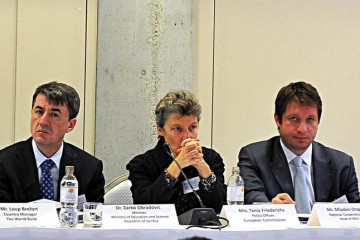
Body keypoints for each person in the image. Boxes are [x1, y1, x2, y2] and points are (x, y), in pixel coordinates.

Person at [238, 81, 360, 213]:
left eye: (310, 119)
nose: (302, 129)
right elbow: (252, 197)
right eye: (294, 118)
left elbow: (355, 213)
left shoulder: (342, 164)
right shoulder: (254, 157)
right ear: (278, 119)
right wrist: (269, 208)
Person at [0, 81, 105, 203]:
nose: (43, 122)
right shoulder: (4, 163)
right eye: (39, 112)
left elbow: (93, 217)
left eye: (54, 114)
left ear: (70, 125)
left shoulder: (90, 168)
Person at [126, 90, 226, 215]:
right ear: (160, 130)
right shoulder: (142, 164)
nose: (187, 137)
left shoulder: (211, 158)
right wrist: (176, 165)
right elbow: (144, 208)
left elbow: (222, 207)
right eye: (177, 129)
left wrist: (204, 170)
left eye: (192, 127)